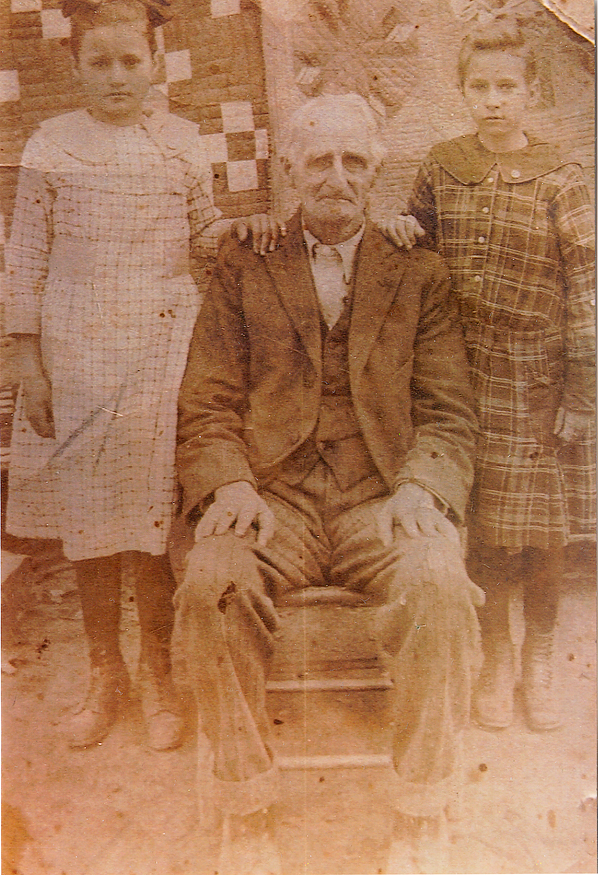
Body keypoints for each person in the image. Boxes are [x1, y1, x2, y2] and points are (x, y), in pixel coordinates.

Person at [174, 92, 484, 874]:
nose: (337, 177)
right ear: (290, 170)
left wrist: (421, 488)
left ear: (378, 171)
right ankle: (246, 809)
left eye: (354, 160)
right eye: (320, 160)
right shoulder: (246, 263)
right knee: (210, 581)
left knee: (439, 580)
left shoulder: (421, 273)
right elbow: (206, 400)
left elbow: (448, 412)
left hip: (382, 496)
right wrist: (230, 486)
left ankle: (421, 808)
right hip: (273, 496)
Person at [4, 0, 282, 753]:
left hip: (162, 355)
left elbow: (202, 229)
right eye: (101, 62)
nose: (118, 76)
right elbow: (24, 256)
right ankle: (106, 673)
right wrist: (26, 359)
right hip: (78, 359)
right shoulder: (51, 145)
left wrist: (240, 225)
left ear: (155, 65)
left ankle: (158, 672)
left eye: (132, 61)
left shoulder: (181, 142)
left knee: (151, 525)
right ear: (76, 68)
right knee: (93, 526)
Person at [387, 17, 596, 732]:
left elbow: (589, 287)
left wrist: (581, 389)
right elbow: (414, 247)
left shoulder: (562, 177)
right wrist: (399, 228)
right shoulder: (442, 166)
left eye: (508, 86)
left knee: (540, 532)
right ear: (463, 90)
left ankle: (538, 656)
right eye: (480, 86)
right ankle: (497, 653)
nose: (494, 100)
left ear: (531, 90)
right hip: (462, 372)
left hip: (539, 382)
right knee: (480, 527)